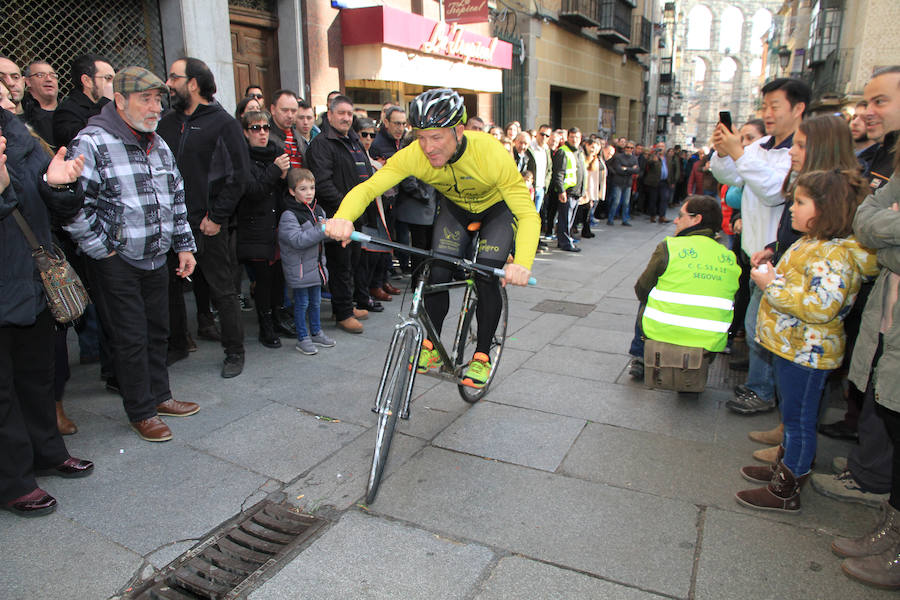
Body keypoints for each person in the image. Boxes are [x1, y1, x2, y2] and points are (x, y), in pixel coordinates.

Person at [325, 88, 537, 388]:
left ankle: (481, 356)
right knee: (437, 271)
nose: (427, 147)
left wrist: (523, 262)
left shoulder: (489, 153)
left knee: (486, 275)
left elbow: (527, 214)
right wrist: (343, 217)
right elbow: (369, 188)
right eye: (421, 136)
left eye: (436, 137)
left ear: (459, 131)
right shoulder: (414, 154)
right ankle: (432, 346)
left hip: (495, 213)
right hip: (456, 211)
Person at [65, 66, 199, 442]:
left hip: (156, 256)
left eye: (159, 98)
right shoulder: (91, 142)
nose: (156, 106)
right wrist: (101, 251)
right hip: (117, 262)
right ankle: (140, 410)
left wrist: (184, 245)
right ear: (120, 101)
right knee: (129, 337)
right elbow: (74, 206)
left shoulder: (158, 142)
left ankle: (160, 396)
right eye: (146, 99)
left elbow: (176, 197)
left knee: (159, 331)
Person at [735, 169, 877, 513]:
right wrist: (773, 263)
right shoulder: (812, 242)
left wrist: (772, 285)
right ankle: (784, 467)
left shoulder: (834, 254)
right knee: (793, 414)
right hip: (791, 346)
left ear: (826, 210)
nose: (792, 209)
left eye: (800, 202)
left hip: (807, 352)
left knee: (800, 421)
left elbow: (820, 306)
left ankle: (787, 488)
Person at [1, 92, 94, 517]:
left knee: (38, 377)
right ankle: (14, 480)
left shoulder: (20, 135)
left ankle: (47, 452)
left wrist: (61, 186)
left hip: (32, 281)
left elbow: (58, 209)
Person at [710, 78, 810, 415]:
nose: (767, 113)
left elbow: (773, 190)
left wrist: (738, 152)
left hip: (781, 256)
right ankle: (761, 383)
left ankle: (763, 390)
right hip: (757, 251)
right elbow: (729, 176)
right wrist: (725, 152)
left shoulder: (799, 151)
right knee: (758, 326)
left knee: (759, 326)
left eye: (775, 106)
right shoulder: (763, 145)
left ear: (798, 109)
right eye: (764, 106)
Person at [159, 57, 249, 378]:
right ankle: (177, 344)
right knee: (171, 287)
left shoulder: (223, 123)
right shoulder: (166, 122)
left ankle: (234, 351)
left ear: (193, 84)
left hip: (206, 224)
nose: (168, 83)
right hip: (171, 223)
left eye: (174, 77)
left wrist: (216, 217)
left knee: (222, 289)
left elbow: (239, 176)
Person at [627, 195, 740, 380]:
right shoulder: (728, 256)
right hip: (709, 341)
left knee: (648, 293)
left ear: (696, 220)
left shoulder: (670, 247)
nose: (676, 220)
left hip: (662, 331)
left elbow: (641, 289)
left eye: (681, 215)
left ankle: (640, 356)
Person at [306, 94, 373, 334]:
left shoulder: (352, 139)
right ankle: (343, 312)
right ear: (330, 115)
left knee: (353, 262)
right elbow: (323, 183)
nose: (346, 118)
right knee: (340, 265)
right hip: (338, 216)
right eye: (341, 113)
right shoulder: (322, 144)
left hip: (355, 215)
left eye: (349, 113)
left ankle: (346, 305)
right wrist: (347, 209)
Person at [236, 110, 290, 348]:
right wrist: (276, 171)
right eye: (256, 128)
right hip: (255, 228)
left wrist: (284, 175)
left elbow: (286, 188)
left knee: (278, 278)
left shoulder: (276, 154)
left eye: (266, 128)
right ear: (246, 132)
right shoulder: (242, 158)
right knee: (263, 281)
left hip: (276, 226)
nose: (262, 133)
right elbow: (253, 191)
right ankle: (265, 325)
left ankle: (277, 318)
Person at [279, 168, 336, 355]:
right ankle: (303, 337)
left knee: (316, 302)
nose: (309, 192)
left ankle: (317, 332)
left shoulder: (317, 210)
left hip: (316, 267)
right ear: (292, 191)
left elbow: (322, 235)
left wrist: (332, 232)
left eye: (311, 188)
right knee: (302, 303)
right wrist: (322, 229)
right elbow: (298, 240)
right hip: (301, 270)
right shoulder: (289, 215)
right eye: (303, 189)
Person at [53, 54, 114, 149]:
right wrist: (105, 103)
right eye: (108, 78)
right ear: (87, 81)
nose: (113, 85)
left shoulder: (115, 107)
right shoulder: (66, 112)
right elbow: (81, 141)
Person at [554, 128, 586, 251]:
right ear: (568, 137)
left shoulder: (579, 152)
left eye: (577, 137)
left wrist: (583, 191)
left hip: (576, 192)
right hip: (567, 192)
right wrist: (561, 190)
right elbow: (559, 173)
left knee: (570, 220)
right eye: (572, 137)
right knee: (565, 219)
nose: (574, 139)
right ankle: (565, 243)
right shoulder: (563, 151)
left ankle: (564, 240)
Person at [20, 60, 58, 145]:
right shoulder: (24, 112)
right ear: (28, 82)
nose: (48, 79)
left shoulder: (69, 112)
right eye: (40, 75)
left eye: (53, 76)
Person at [606, 140, 640, 226]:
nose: (629, 149)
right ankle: (610, 218)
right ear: (625, 148)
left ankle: (625, 219)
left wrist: (626, 169)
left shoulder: (634, 158)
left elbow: (637, 170)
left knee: (626, 202)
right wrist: (631, 169)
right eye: (628, 147)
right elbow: (619, 169)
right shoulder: (618, 157)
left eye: (631, 148)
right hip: (618, 182)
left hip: (628, 183)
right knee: (616, 201)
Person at [268, 89, 302, 168]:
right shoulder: (264, 136)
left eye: (294, 111)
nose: (290, 115)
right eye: (285, 110)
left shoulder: (299, 137)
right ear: (273, 109)